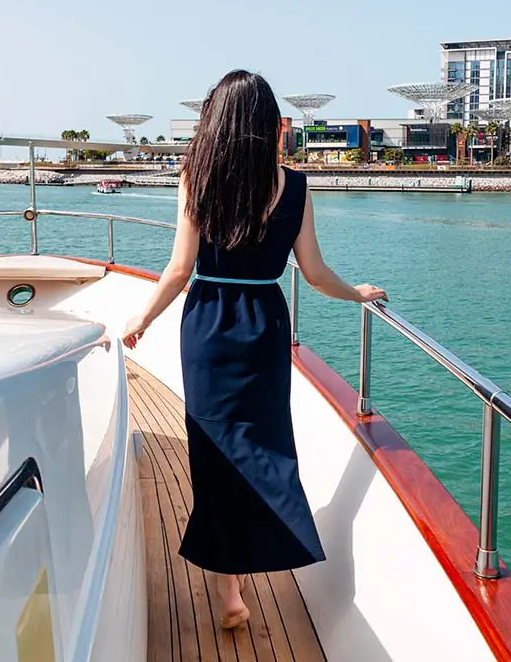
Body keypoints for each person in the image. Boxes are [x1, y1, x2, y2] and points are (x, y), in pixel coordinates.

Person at [122, 70, 386, 629]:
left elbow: (179, 269)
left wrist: (140, 319)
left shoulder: (196, 178)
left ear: (216, 121)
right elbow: (314, 273)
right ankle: (261, 553)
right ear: (269, 125)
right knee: (263, 444)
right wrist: (356, 293)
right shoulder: (296, 186)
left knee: (214, 450)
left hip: (209, 323)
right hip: (264, 322)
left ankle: (229, 592)